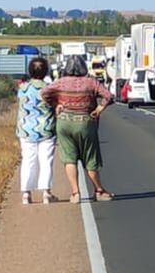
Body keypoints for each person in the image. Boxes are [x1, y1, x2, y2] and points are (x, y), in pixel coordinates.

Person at [42, 54, 116, 202]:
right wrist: (99, 109)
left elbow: (44, 93)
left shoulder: (60, 83)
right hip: (85, 122)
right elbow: (108, 96)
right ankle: (99, 190)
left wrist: (57, 105)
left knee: (69, 158)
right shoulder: (91, 82)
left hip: (64, 122)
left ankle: (75, 193)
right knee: (90, 158)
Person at [16, 58, 57, 205]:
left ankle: (26, 193)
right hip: (46, 129)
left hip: (26, 129)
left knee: (28, 160)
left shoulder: (23, 88)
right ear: (46, 70)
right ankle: (46, 193)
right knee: (46, 160)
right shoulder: (50, 88)